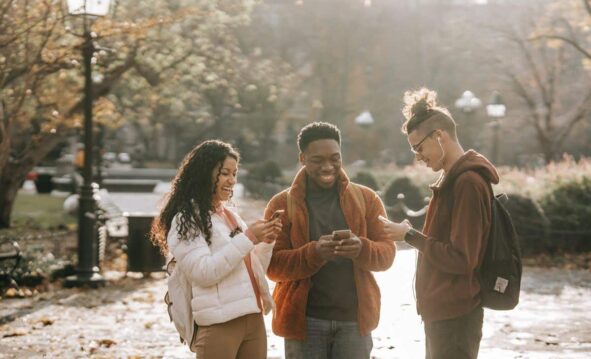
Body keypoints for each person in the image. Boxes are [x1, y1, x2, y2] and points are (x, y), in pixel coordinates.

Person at [382, 88, 499, 359]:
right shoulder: (453, 179)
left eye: (419, 148)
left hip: (455, 313)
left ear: (439, 136)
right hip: (444, 311)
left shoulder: (467, 182)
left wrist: (409, 235)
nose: (418, 156)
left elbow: (461, 258)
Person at [264, 122, 396, 359]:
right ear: (302, 158)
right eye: (318, 160)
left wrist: (361, 248)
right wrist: (314, 253)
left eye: (335, 158)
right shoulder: (281, 205)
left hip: (355, 322)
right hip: (303, 323)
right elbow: (272, 266)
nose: (328, 166)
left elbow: (387, 255)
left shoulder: (366, 199)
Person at [150, 140, 281, 359]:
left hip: (253, 319)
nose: (232, 180)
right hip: (220, 324)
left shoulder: (230, 216)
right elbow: (204, 273)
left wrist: (266, 241)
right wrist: (248, 238)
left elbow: (252, 270)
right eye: (224, 173)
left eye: (234, 173)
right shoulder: (187, 220)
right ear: (204, 174)